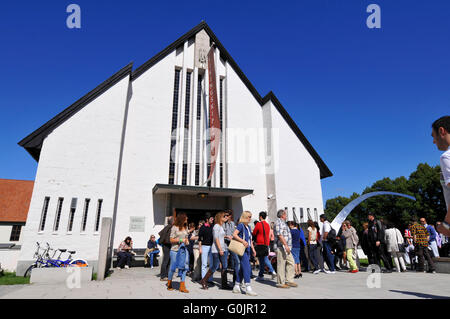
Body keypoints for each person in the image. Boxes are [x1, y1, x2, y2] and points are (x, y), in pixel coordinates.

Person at [200, 212, 232, 290]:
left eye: (226, 216)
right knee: (215, 266)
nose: (226, 217)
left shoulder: (221, 226)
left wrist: (227, 236)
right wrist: (220, 249)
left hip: (223, 249)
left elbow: (220, 236)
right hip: (217, 250)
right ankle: (204, 280)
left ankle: (224, 285)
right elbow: (216, 238)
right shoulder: (216, 226)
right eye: (224, 216)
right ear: (219, 217)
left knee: (224, 266)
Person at [431, 116, 450, 237]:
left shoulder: (446, 157)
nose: (434, 141)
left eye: (433, 136)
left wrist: (447, 224)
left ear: (442, 131)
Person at [232, 211, 258, 296]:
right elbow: (234, 234)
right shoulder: (241, 225)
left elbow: (250, 240)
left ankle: (236, 285)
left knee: (242, 268)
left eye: (250, 216)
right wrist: (243, 241)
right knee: (247, 267)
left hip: (248, 250)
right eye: (249, 217)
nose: (250, 218)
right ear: (245, 217)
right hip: (242, 250)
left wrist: (253, 249)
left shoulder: (248, 227)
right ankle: (248, 287)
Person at [167, 212, 190, 293]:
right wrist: (180, 240)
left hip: (183, 250)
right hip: (174, 250)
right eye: (186, 218)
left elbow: (186, 238)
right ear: (182, 218)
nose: (187, 219)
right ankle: (169, 283)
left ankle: (182, 286)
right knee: (173, 268)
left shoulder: (186, 227)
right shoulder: (174, 227)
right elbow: (171, 240)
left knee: (184, 267)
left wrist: (187, 241)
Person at [274, 209, 298, 288]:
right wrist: (285, 245)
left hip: (287, 247)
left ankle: (289, 280)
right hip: (281, 247)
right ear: (282, 215)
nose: (286, 215)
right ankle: (280, 282)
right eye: (285, 214)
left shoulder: (283, 223)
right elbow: (279, 235)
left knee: (291, 262)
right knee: (281, 264)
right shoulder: (278, 222)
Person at [252, 211, 277, 281]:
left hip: (260, 243)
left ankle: (272, 271)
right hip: (266, 243)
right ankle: (261, 275)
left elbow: (254, 233)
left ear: (260, 217)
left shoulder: (258, 224)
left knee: (263, 259)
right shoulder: (267, 225)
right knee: (262, 260)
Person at [198, 213, 214, 287]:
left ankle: (210, 279)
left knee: (211, 264)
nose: (212, 219)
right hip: (204, 246)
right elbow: (199, 239)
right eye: (211, 218)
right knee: (204, 264)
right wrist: (200, 248)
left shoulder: (213, 227)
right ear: (207, 219)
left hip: (211, 247)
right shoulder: (202, 227)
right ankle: (203, 279)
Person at [158, 215, 174, 281]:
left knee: (168, 260)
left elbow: (161, 233)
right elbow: (162, 234)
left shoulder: (169, 227)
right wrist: (164, 241)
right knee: (166, 260)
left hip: (167, 245)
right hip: (166, 245)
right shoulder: (169, 227)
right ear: (172, 222)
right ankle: (163, 276)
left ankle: (166, 275)